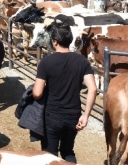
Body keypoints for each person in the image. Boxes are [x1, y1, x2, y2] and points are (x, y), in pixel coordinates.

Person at [32, 23, 97, 163]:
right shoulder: (82, 61)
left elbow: (37, 93)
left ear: (55, 42)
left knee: (49, 154)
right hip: (73, 115)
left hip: (52, 115)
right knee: (68, 151)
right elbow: (93, 89)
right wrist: (85, 116)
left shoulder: (46, 62)